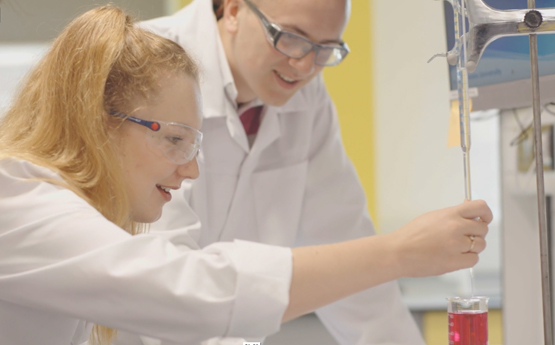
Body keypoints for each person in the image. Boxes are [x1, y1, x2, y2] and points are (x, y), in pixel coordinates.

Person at [0, 4, 491, 345]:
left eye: (325, 49)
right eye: (174, 140)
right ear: (231, 9)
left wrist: (391, 259)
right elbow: (187, 290)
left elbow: (344, 245)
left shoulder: (304, 102)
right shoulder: (22, 204)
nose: (304, 64)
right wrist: (398, 251)